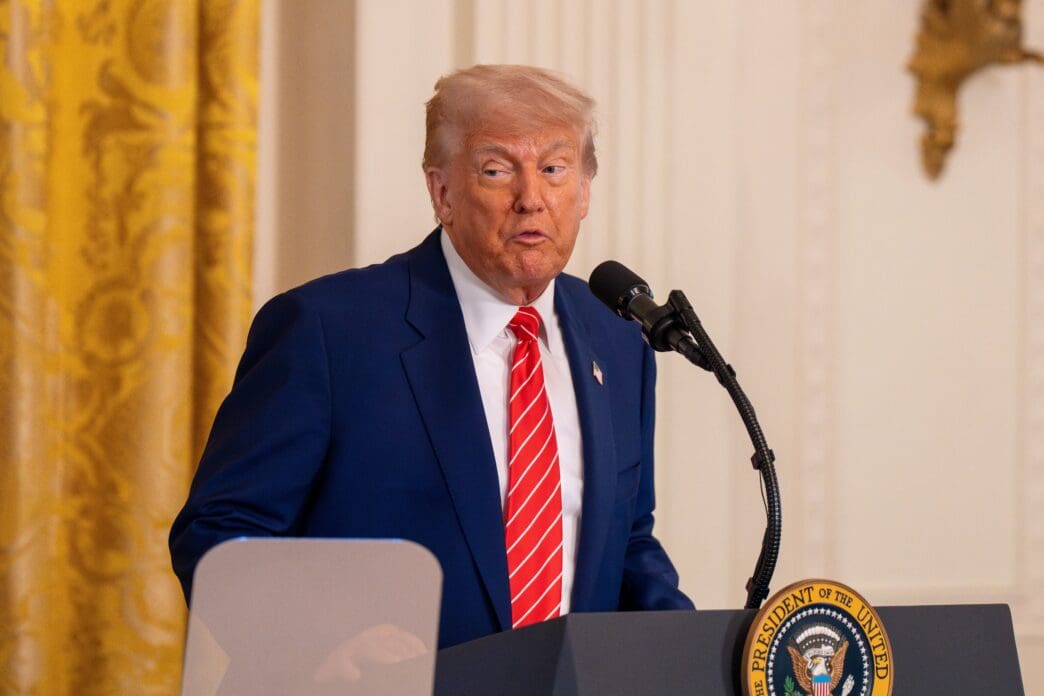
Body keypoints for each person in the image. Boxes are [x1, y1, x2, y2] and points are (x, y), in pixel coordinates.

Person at [169, 64, 693, 651]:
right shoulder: (328, 330)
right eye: (497, 170)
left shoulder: (618, 341)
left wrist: (698, 651)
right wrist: (322, 643)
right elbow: (220, 534)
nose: (530, 199)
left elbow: (625, 544)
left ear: (585, 189)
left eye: (553, 169)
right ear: (442, 191)